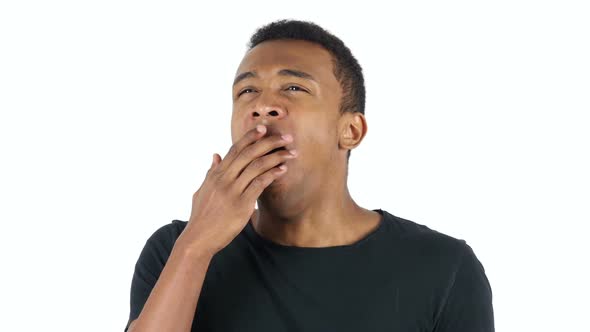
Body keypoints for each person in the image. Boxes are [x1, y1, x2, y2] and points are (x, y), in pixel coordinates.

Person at [124, 19, 494, 332]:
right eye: (247, 91)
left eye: (294, 87)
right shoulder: (175, 250)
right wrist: (195, 248)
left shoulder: (443, 268)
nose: (261, 106)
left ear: (351, 131)